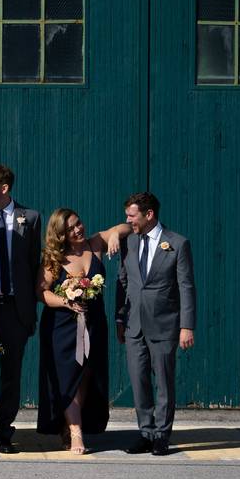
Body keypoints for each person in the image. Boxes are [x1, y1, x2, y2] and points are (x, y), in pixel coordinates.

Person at [36, 209, 127, 453]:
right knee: (68, 378)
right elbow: (41, 292)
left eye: (79, 223)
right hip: (62, 327)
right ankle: (76, 432)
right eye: (71, 228)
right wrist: (66, 301)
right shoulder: (54, 259)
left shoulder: (95, 243)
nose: (78, 229)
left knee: (86, 375)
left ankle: (71, 424)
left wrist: (116, 234)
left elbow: (126, 227)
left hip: (94, 323)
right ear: (61, 234)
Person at [116, 192, 196, 457]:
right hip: (134, 324)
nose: (128, 220)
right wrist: (119, 318)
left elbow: (186, 287)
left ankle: (162, 435)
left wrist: (187, 326)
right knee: (139, 381)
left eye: (132, 215)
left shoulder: (177, 243)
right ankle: (146, 432)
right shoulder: (128, 242)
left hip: (164, 324)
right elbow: (123, 282)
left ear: (149, 215)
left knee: (163, 381)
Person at [0, 164, 41, 453]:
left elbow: (34, 263)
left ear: (4, 188)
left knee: (11, 373)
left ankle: (4, 430)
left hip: (15, 307)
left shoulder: (31, 218)